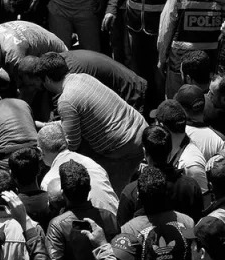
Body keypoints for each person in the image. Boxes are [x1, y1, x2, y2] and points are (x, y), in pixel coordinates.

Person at [36, 53, 147, 193]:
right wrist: (47, 126)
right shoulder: (83, 78)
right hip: (139, 129)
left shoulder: (66, 100)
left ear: (47, 79)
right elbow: (73, 122)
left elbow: (72, 143)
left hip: (124, 148)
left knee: (107, 191)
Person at [157, 0, 224, 97]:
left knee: (177, 102)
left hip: (180, 63)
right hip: (211, 62)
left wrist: (161, 58)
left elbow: (166, 27)